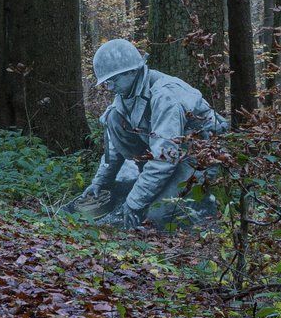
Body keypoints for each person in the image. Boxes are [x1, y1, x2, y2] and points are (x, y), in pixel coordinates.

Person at [74, 38, 229, 228]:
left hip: (199, 158)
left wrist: (135, 201)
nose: (110, 88)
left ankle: (203, 198)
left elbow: (164, 158)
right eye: (106, 83)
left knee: (156, 217)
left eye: (112, 81)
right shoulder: (124, 96)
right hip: (169, 155)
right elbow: (113, 147)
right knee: (113, 118)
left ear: (131, 72)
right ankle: (152, 184)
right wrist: (100, 182)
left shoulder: (165, 96)